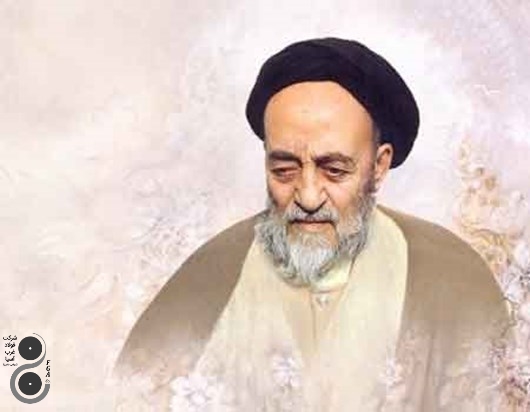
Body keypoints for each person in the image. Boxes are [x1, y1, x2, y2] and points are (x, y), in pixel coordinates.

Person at [114, 38, 512, 411]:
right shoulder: (208, 277)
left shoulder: (456, 280)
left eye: (334, 170)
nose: (307, 197)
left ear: (379, 165)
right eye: (284, 170)